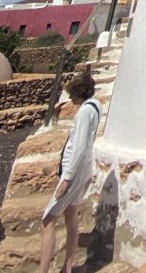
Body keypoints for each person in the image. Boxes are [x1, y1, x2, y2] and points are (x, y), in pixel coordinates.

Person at [39, 70, 101, 273]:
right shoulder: (96, 106)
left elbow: (80, 146)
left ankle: (43, 270)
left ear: (77, 92)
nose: (70, 98)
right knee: (71, 217)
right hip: (84, 169)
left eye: (72, 94)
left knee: (47, 221)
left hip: (73, 173)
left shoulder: (84, 112)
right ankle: (68, 267)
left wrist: (66, 178)